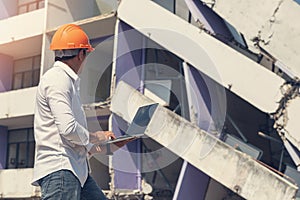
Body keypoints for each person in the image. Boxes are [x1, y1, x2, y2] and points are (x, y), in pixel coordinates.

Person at [31, 24, 125, 200]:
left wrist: (105, 146)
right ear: (81, 54)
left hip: (76, 173)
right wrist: (97, 136)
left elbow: (71, 141)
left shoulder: (65, 81)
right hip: (61, 172)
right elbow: (68, 130)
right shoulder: (58, 79)